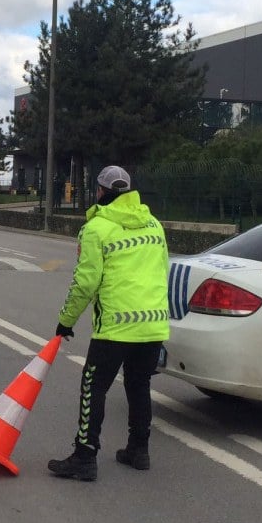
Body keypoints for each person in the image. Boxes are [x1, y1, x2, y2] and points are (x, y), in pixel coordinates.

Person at [48, 165, 169, 482]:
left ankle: (85, 457)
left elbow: (85, 283)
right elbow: (162, 272)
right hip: (152, 324)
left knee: (93, 387)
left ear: (100, 192)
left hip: (115, 326)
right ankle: (138, 451)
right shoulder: (154, 225)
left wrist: (66, 321)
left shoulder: (96, 229)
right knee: (139, 385)